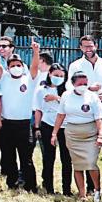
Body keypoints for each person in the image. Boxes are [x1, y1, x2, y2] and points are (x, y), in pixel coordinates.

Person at [0, 40, 41, 192]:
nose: (16, 68)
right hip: (7, 124)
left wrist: (36, 52)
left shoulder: (29, 79)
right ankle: (12, 183)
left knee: (26, 158)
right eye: (12, 66)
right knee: (8, 156)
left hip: (24, 125)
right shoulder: (3, 78)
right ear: (8, 67)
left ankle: (30, 185)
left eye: (18, 65)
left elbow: (35, 66)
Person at [53, 72, 102, 201]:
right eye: (80, 84)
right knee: (77, 165)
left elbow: (99, 118)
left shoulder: (92, 96)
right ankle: (82, 194)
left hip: (90, 133)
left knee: (90, 163)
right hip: (72, 133)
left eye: (85, 84)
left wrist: (101, 135)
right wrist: (54, 133)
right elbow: (61, 115)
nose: (83, 86)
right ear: (73, 84)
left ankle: (97, 190)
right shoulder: (66, 95)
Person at [34, 64, 73, 195]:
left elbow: (70, 105)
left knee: (66, 159)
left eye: (62, 76)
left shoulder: (68, 90)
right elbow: (38, 110)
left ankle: (66, 189)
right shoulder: (41, 90)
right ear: (49, 74)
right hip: (47, 125)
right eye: (56, 75)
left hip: (65, 126)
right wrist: (37, 127)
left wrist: (56, 98)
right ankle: (48, 187)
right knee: (48, 157)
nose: (58, 78)